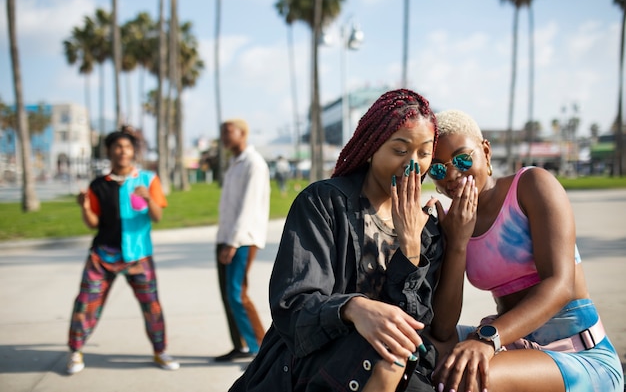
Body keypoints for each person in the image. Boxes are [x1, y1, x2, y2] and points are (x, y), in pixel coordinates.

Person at [229, 89, 474, 392]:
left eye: (423, 154)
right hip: (312, 364)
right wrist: (354, 309)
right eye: (399, 150)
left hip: (395, 368)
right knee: (389, 357)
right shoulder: (323, 203)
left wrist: (411, 247)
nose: (412, 165)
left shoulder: (427, 231)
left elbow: (422, 327)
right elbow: (293, 305)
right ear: (371, 148)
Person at [428, 110, 624, 392]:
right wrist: (457, 241)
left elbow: (561, 285)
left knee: (469, 378)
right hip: (514, 347)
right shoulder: (452, 220)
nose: (452, 174)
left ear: (485, 151)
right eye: (438, 168)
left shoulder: (531, 186)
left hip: (580, 355)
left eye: (462, 159)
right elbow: (444, 329)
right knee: (419, 350)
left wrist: (487, 340)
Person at [67, 126, 179, 374]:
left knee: (152, 305)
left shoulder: (148, 180)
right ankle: (75, 351)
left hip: (138, 255)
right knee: (85, 303)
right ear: (109, 151)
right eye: (117, 147)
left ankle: (160, 351)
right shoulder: (99, 184)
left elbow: (158, 216)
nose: (122, 151)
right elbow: (93, 223)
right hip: (102, 255)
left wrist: (148, 198)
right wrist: (85, 207)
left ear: (133, 151)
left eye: (127, 147)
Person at [215, 119, 271, 362]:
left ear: (243, 133)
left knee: (237, 294)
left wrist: (233, 242)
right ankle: (241, 345)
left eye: (229, 132)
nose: (225, 137)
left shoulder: (253, 163)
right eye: (222, 133)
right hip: (226, 237)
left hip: (242, 239)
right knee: (228, 295)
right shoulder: (234, 163)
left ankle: (260, 347)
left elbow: (248, 208)